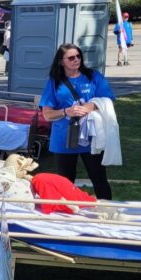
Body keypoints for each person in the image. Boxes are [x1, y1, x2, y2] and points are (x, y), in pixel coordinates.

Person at [38, 43, 116, 200]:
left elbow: (108, 100)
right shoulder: (55, 82)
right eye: (71, 57)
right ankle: (68, 215)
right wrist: (67, 111)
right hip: (64, 139)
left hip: (91, 138)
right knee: (65, 183)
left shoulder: (93, 76)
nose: (76, 60)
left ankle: (108, 212)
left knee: (99, 179)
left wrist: (91, 105)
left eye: (78, 56)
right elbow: (47, 114)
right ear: (61, 61)